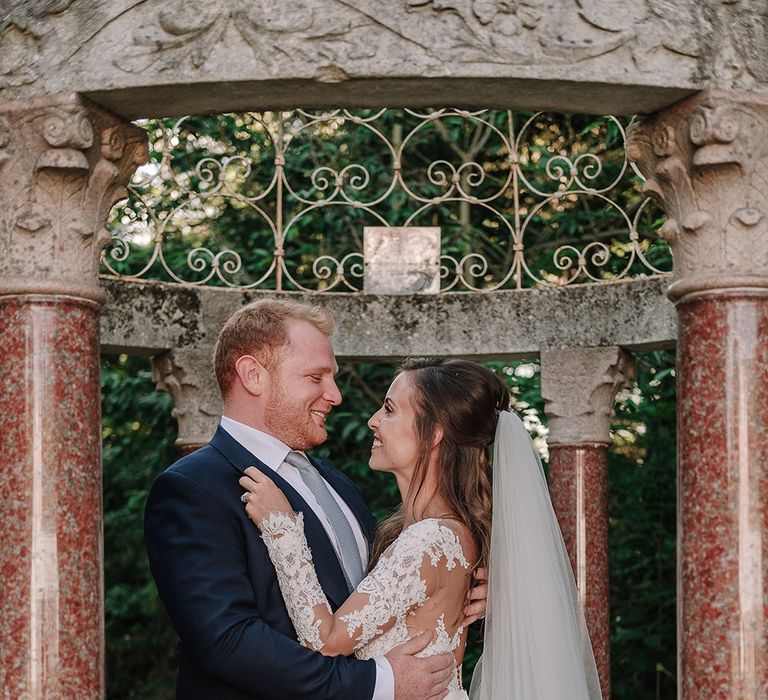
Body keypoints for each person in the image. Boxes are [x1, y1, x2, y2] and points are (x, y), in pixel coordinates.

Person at [144, 300, 487, 700]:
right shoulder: (192, 488)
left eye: (333, 378)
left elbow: (389, 599)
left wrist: (463, 586)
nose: (336, 395)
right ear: (253, 375)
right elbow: (228, 642)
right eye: (315, 377)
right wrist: (382, 683)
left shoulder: (337, 483)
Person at [239, 358, 603, 699]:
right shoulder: (451, 532)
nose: (373, 420)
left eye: (390, 409)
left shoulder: (430, 539)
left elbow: (326, 640)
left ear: (434, 435)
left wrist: (281, 528)